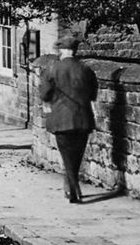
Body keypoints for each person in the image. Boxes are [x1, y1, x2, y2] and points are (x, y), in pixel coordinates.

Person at [39, 35, 98, 203]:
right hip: (82, 118)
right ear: (74, 51)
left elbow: (44, 94)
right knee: (77, 155)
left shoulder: (52, 69)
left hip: (61, 118)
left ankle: (73, 188)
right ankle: (71, 184)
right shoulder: (86, 70)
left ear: (64, 50)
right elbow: (93, 95)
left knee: (66, 155)